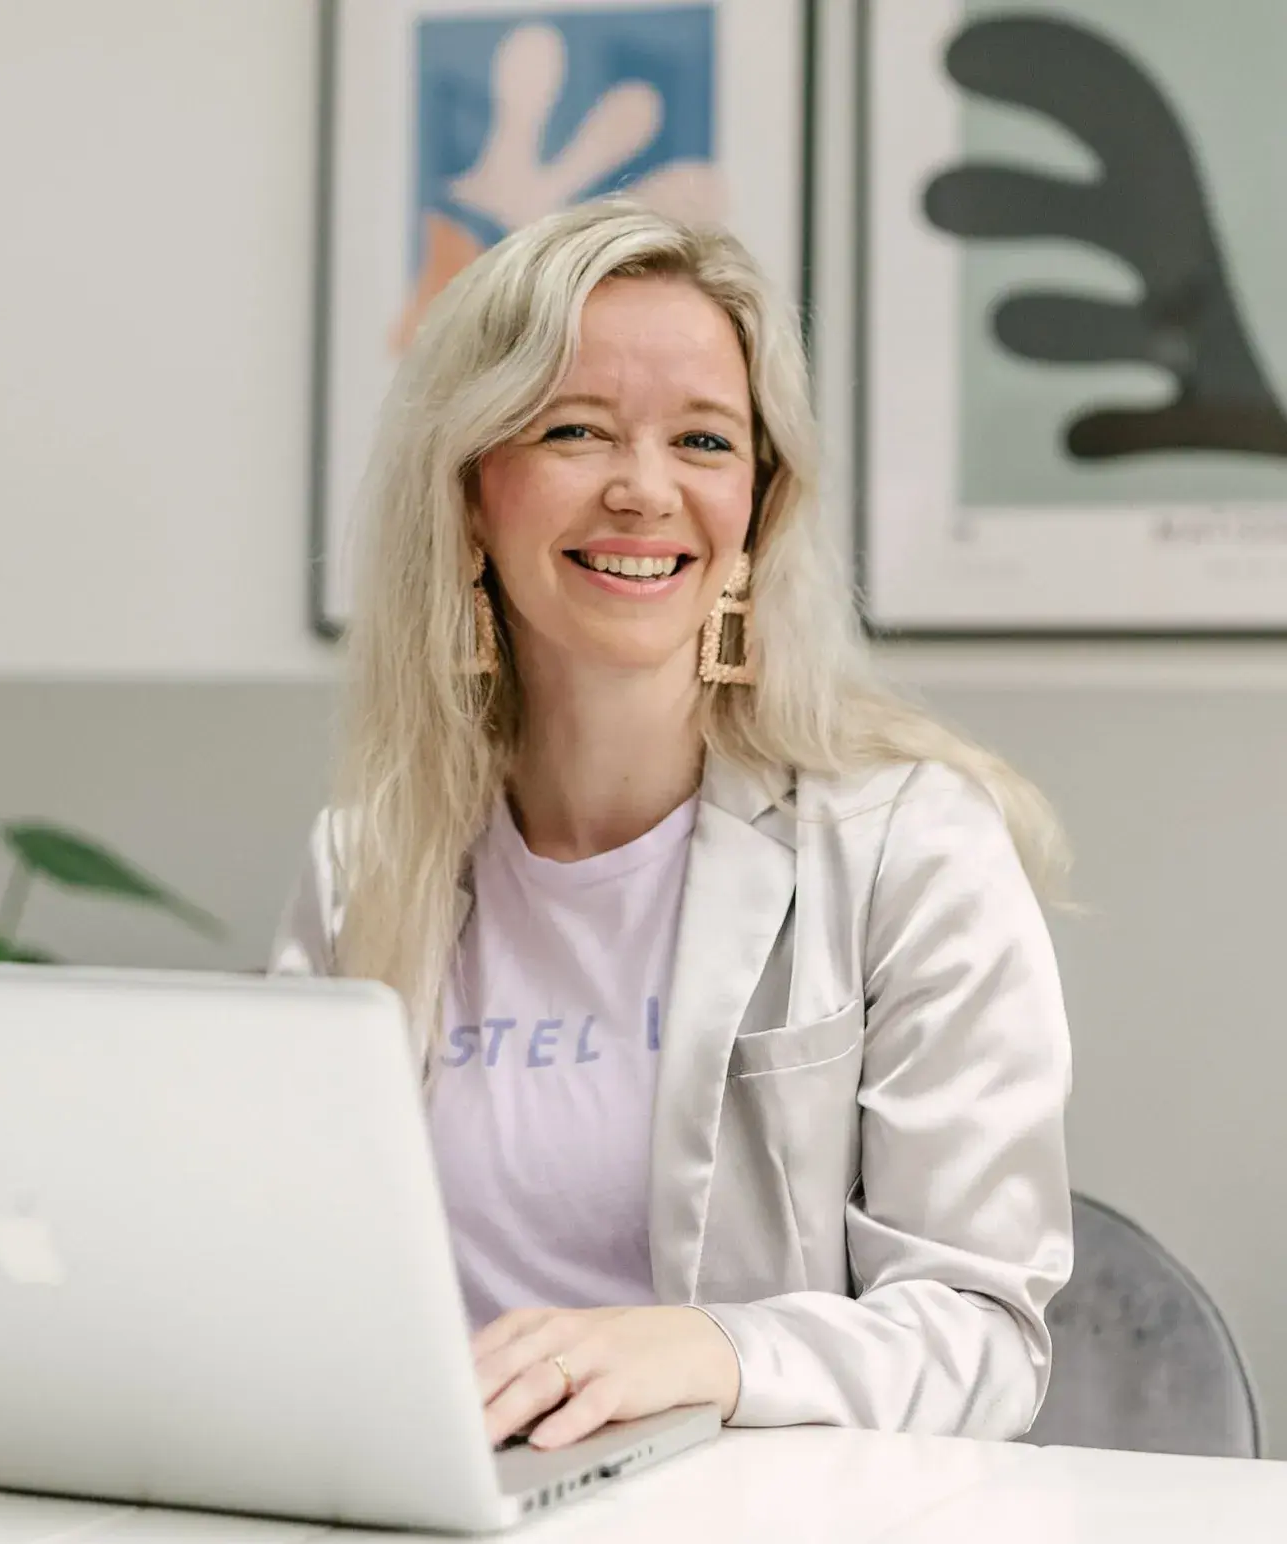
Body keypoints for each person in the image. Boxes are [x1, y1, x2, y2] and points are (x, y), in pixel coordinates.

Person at [272, 199, 1072, 1454]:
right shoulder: (364, 862)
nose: (644, 491)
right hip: (432, 1533)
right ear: (473, 495)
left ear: (759, 505)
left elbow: (984, 1338)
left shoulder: (911, 845)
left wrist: (711, 1349)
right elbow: (292, 1275)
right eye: (575, 429)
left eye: (704, 439)